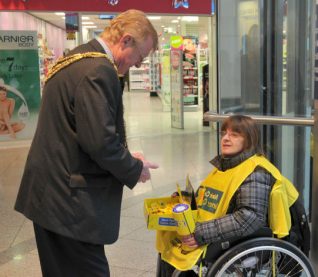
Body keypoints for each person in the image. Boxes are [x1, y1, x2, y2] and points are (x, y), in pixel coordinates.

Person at [15, 9, 159, 277]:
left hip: (52, 195)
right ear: (126, 40)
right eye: (140, 55)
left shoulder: (77, 57)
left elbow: (81, 129)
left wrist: (126, 155)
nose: (139, 64)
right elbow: (100, 142)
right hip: (69, 203)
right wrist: (133, 168)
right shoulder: (98, 70)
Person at [157, 115, 298, 276]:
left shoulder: (256, 172)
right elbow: (210, 198)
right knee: (168, 240)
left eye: (234, 135)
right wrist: (185, 199)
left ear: (249, 140)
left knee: (176, 253)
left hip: (232, 239)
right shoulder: (227, 165)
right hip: (216, 230)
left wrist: (199, 234)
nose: (225, 138)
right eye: (224, 133)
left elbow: (249, 217)